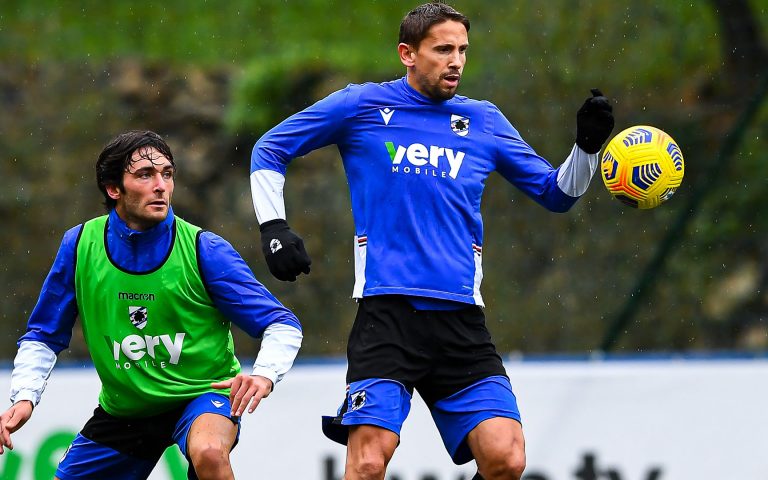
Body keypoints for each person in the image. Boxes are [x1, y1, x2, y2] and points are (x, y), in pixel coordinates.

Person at [249, 3, 613, 479]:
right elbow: (270, 147)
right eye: (443, 49)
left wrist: (586, 149)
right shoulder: (361, 106)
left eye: (462, 50)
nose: (456, 60)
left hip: (460, 320)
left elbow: (556, 193)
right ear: (408, 53)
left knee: (507, 457)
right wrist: (273, 227)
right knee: (368, 462)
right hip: (388, 316)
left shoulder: (483, 120)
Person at [0, 130, 303, 480]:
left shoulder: (205, 249)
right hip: (126, 410)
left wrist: (265, 374)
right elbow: (43, 335)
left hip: (202, 398)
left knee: (208, 452)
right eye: (145, 175)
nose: (161, 186)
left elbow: (281, 324)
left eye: (168, 174)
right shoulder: (80, 245)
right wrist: (24, 397)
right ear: (114, 189)